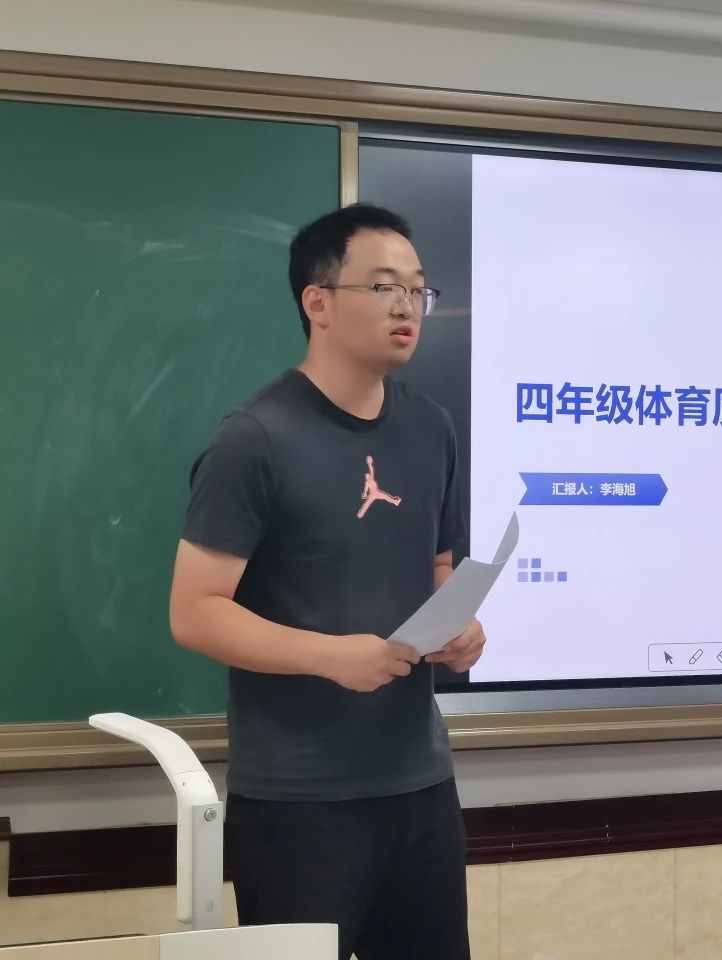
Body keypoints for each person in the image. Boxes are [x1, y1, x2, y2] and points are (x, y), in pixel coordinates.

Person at [168, 203, 482, 960]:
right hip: (300, 799)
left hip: (419, 782)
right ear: (318, 302)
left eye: (418, 289)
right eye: (384, 286)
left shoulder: (431, 427)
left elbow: (439, 567)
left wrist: (460, 630)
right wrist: (330, 656)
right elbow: (196, 612)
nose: (408, 306)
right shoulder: (256, 438)